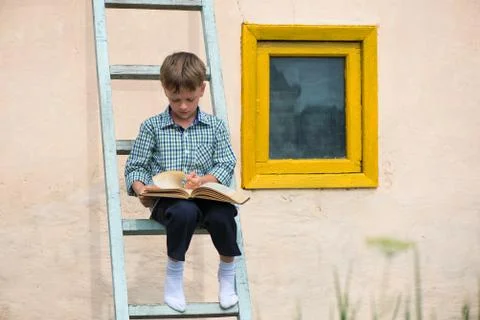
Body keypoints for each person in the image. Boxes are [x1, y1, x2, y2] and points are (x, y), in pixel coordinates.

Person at [124, 52, 241, 312]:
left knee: (224, 215)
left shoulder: (215, 126)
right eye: (176, 99)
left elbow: (226, 162)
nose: (184, 106)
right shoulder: (152, 127)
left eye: (190, 98)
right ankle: (174, 275)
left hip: (206, 196)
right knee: (185, 211)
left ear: (202, 89)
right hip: (171, 202)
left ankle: (226, 274)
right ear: (165, 90)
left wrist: (205, 180)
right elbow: (136, 166)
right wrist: (141, 189)